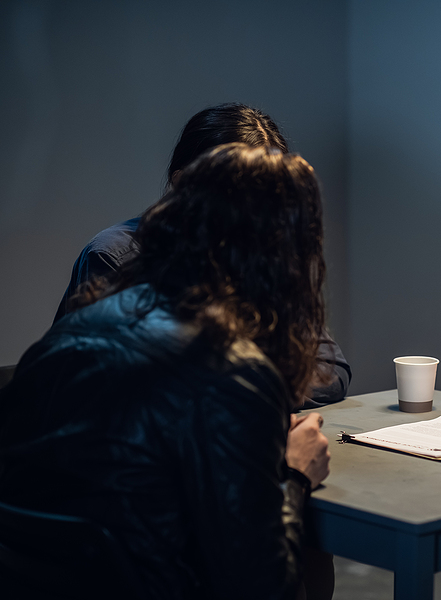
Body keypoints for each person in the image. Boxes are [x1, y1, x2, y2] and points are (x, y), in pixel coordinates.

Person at [0, 144, 332, 599]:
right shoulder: (235, 370)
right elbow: (265, 589)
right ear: (284, 253)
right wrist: (295, 475)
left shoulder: (81, 324)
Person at [53, 103, 350, 406]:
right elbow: (117, 392)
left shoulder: (264, 256)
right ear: (184, 182)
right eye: (241, 189)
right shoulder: (117, 256)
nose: (258, 210)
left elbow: (330, 373)